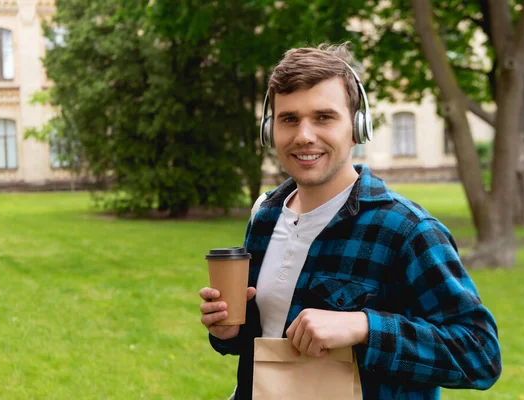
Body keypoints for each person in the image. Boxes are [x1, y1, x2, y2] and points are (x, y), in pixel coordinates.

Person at [198, 43, 501, 399]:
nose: (304, 135)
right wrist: (229, 332)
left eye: (324, 117)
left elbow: (480, 354)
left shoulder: (407, 230)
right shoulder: (265, 217)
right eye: (289, 119)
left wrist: (364, 327)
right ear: (270, 130)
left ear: (358, 127)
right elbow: (266, 335)